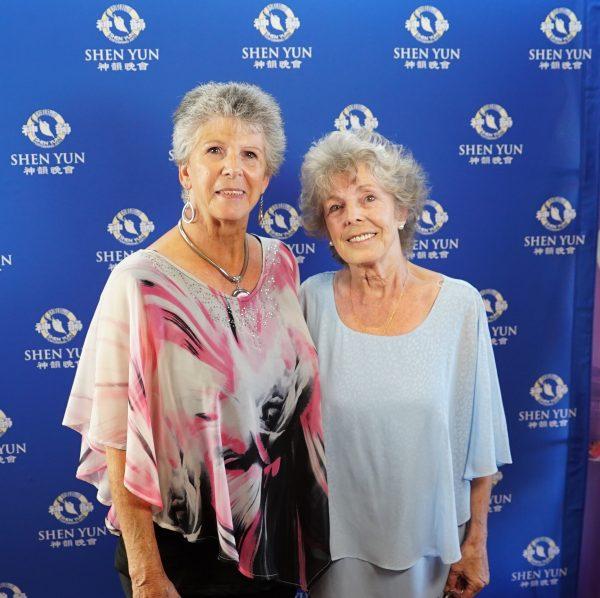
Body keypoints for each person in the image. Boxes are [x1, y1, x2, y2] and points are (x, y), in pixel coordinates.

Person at [63, 82, 329, 598]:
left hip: (268, 537)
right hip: (177, 554)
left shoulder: (281, 266)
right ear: (186, 171)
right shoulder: (140, 282)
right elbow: (116, 437)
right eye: (214, 151)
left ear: (266, 177)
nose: (233, 168)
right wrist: (146, 571)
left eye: (250, 154)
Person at [298, 129, 511, 598]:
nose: (353, 216)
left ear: (402, 210)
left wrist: (476, 542)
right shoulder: (310, 300)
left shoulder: (460, 305)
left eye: (368, 198)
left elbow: (480, 442)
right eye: (336, 207)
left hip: (432, 547)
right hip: (335, 549)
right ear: (328, 229)